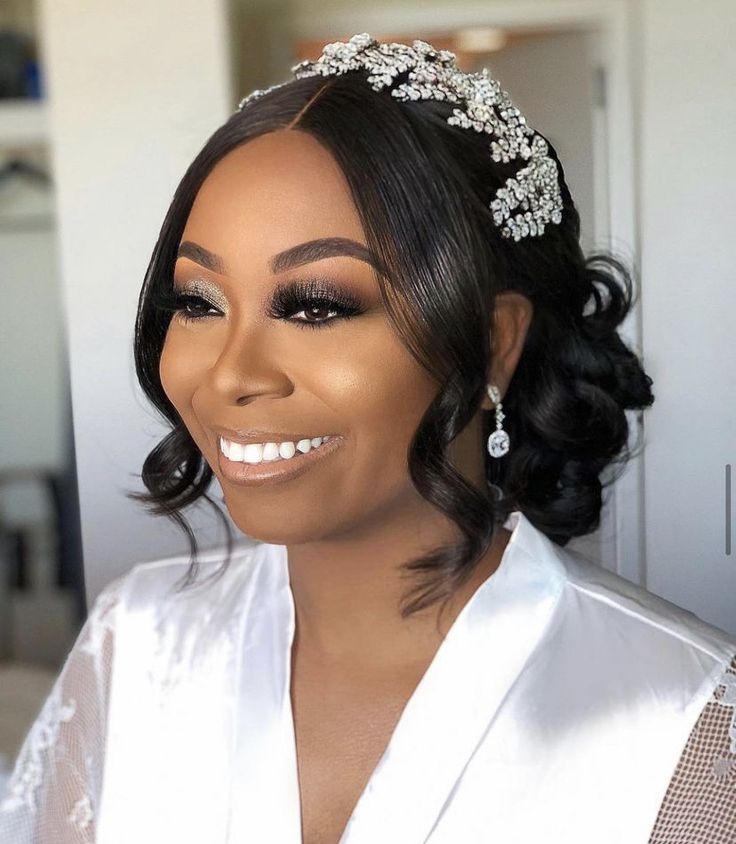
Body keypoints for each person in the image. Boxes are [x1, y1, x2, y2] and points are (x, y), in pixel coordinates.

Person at [1, 32, 734, 844]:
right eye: (199, 303)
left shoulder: (682, 724)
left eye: (315, 305)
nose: (229, 374)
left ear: (495, 341)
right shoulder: (133, 645)